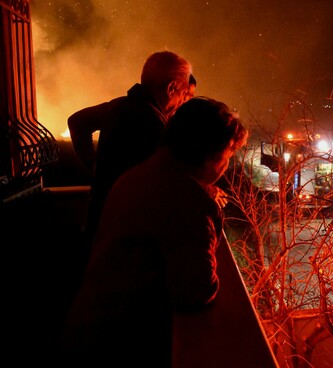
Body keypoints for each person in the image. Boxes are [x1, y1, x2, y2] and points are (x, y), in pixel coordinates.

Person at [61, 97, 249, 368]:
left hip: (89, 332)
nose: (227, 164)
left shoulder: (137, 175)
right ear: (212, 151)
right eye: (230, 153)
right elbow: (196, 291)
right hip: (123, 347)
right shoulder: (188, 201)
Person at [68, 50, 195, 250]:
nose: (183, 102)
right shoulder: (154, 126)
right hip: (126, 236)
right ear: (171, 88)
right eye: (184, 94)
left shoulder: (119, 106)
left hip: (99, 218)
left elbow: (77, 121)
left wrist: (93, 164)